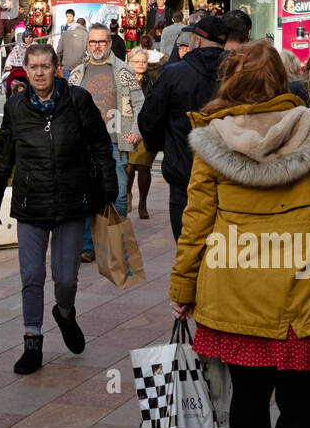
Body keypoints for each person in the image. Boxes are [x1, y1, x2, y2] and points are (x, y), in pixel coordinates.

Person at [170, 40, 310, 428]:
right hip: (302, 293)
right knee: (302, 404)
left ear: (231, 83)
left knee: (248, 401)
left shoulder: (211, 139)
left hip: (237, 292)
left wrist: (183, 289)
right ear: (283, 80)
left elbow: (197, 223)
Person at [0, 43, 116, 374]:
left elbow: (101, 145)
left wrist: (108, 186)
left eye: (46, 66)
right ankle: (32, 341)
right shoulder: (15, 106)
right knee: (31, 276)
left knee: (65, 279)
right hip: (31, 204)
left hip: (72, 201)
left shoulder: (78, 100)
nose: (40, 72)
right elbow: (4, 154)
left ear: (57, 67)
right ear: (25, 70)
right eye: (34, 67)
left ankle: (66, 312)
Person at [139, 15, 228, 241]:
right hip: (224, 171)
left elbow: (149, 119)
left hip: (184, 169)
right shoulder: (235, 74)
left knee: (187, 244)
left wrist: (164, 144)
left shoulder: (175, 73)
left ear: (197, 42)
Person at [68, 24, 144, 261]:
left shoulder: (123, 71)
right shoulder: (77, 74)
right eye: (93, 42)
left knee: (119, 194)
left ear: (110, 43)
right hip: (83, 145)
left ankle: (115, 243)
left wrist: (137, 129)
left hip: (114, 142)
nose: (97, 46)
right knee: (85, 194)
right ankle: (87, 246)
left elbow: (140, 103)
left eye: (101, 42)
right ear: (87, 44)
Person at [124, 47, 158, 220]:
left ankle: (143, 202)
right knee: (129, 167)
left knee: (144, 167)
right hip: (126, 128)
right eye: (137, 61)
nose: (140, 65)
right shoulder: (123, 80)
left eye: (144, 62)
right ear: (129, 62)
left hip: (146, 129)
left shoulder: (153, 81)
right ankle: (128, 194)